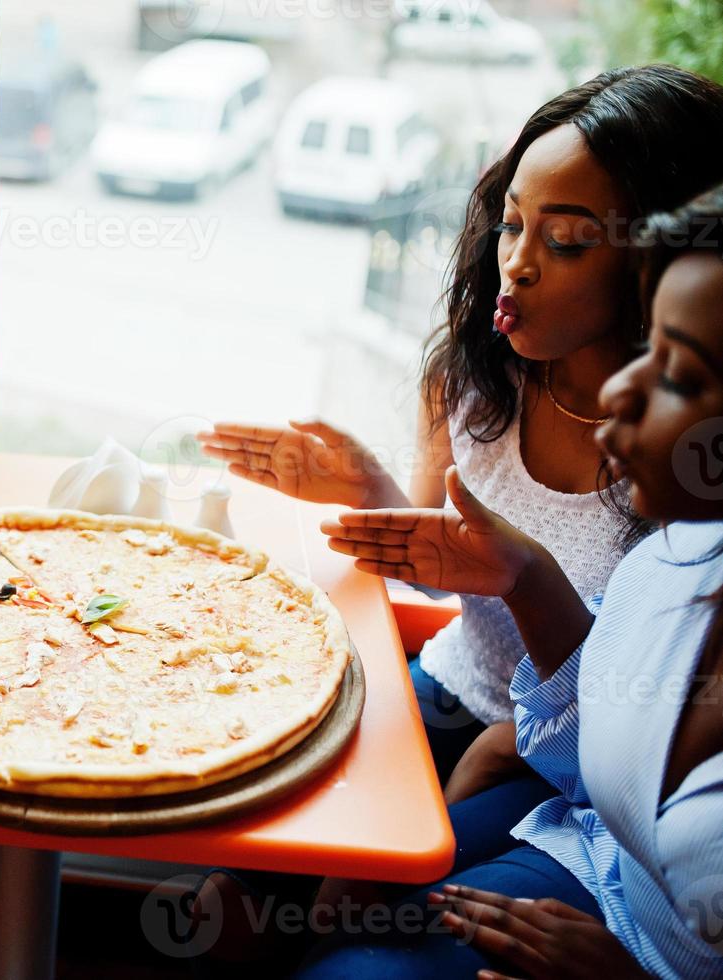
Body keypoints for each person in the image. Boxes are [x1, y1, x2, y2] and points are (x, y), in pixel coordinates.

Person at [190, 65, 723, 970]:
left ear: (653, 265)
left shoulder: (672, 505)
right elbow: (449, 562)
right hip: (450, 694)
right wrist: (369, 493)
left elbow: (602, 727)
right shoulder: (482, 376)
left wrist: (503, 740)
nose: (514, 261)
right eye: (512, 222)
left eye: (566, 241)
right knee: (216, 909)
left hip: (533, 759)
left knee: (345, 926)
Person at [304, 183, 723, 980]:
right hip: (591, 864)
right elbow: (591, 757)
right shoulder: (668, 566)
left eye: (677, 375)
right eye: (511, 224)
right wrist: (522, 577)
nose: (618, 394)